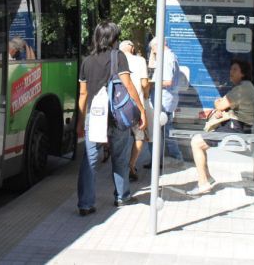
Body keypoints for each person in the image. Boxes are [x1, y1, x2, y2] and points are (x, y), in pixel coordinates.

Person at [77, 22, 147, 216]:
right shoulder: (119, 57)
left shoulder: (87, 61)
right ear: (113, 38)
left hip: (95, 115)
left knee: (90, 159)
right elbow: (129, 87)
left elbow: (82, 94)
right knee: (120, 157)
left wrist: (81, 121)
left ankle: (85, 204)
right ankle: (122, 197)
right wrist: (140, 111)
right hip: (117, 116)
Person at [188, 59, 254, 196]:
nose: (231, 72)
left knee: (196, 142)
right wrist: (223, 108)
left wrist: (219, 106)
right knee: (198, 142)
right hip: (237, 125)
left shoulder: (241, 89)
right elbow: (224, 105)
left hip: (236, 128)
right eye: (231, 69)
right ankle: (207, 178)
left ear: (243, 73)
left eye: (235, 70)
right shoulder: (244, 86)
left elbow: (220, 104)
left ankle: (203, 183)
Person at [144, 37, 183, 169]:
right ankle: (162, 159)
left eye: (153, 48)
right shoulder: (168, 56)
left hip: (163, 100)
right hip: (166, 99)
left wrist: (151, 83)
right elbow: (151, 65)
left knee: (165, 130)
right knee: (164, 130)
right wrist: (154, 55)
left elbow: (167, 81)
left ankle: (174, 158)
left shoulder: (166, 59)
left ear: (158, 46)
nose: (152, 51)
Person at [119, 40, 150, 182]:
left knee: (120, 138)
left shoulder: (116, 60)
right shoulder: (140, 60)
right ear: (131, 49)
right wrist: (146, 95)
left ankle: (120, 167)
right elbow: (144, 83)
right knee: (139, 136)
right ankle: (131, 165)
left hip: (119, 106)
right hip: (136, 106)